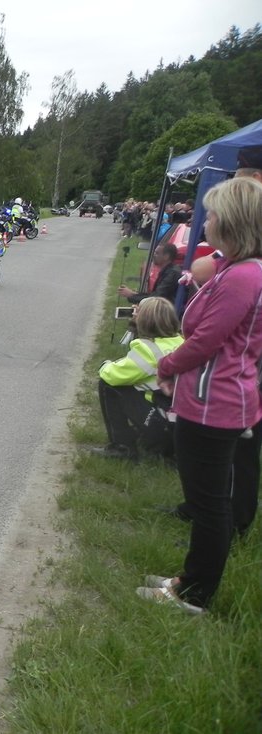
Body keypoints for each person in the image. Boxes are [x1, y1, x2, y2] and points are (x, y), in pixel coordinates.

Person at [137, 176, 262, 614]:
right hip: (215, 396)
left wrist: (166, 366)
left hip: (215, 402)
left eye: (211, 214)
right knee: (206, 499)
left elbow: (207, 339)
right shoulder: (238, 270)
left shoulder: (241, 277)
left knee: (209, 504)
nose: (205, 221)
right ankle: (190, 578)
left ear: (232, 222)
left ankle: (194, 594)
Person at [93, 297, 183, 461]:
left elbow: (112, 375)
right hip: (183, 427)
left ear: (145, 321)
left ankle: (122, 448)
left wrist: (105, 364)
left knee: (108, 385)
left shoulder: (148, 349)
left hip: (162, 426)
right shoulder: (182, 342)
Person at [118, 243, 182, 305]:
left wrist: (132, 295)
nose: (153, 255)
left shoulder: (172, 274)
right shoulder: (167, 271)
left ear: (166, 256)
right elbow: (155, 294)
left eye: (157, 253)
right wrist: (133, 293)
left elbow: (156, 298)